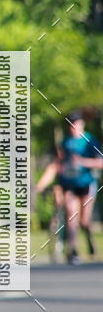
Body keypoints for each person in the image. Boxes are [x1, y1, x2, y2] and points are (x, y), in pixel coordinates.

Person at [54, 111, 101, 263]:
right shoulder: (65, 142)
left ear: (82, 124)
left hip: (86, 183)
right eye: (71, 124)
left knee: (84, 221)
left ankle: (89, 239)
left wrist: (81, 161)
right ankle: (72, 250)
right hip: (69, 185)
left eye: (76, 123)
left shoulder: (90, 141)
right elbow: (59, 164)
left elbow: (100, 163)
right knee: (71, 216)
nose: (73, 127)